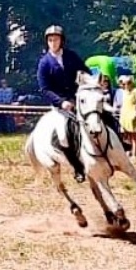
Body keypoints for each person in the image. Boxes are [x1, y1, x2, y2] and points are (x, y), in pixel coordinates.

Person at [36, 24, 92, 183]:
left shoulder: (71, 56)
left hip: (78, 98)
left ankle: (119, 144)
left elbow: (85, 72)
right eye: (50, 40)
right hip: (60, 106)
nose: (53, 43)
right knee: (63, 135)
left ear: (62, 41)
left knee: (99, 115)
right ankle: (77, 167)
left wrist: (90, 82)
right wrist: (62, 103)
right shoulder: (44, 63)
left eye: (56, 39)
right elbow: (45, 89)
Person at [119, 76, 136, 162]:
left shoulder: (135, 91)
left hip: (132, 115)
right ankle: (128, 151)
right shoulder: (123, 92)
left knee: (134, 136)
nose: (126, 85)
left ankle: (135, 154)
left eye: (128, 83)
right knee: (126, 135)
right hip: (124, 115)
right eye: (124, 84)